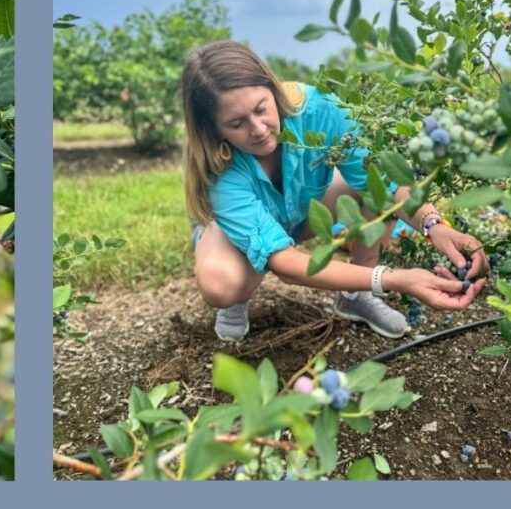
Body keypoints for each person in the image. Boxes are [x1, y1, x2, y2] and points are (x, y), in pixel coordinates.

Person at [182, 40, 487, 342]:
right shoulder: (219, 172)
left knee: (377, 192)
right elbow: (286, 265)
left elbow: (383, 180)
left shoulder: (318, 110)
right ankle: (239, 294)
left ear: (272, 89)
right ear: (214, 129)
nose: (258, 129)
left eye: (261, 109)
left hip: (301, 212)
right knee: (223, 284)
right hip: (232, 230)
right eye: (237, 123)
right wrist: (392, 280)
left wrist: (433, 225)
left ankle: (354, 295)